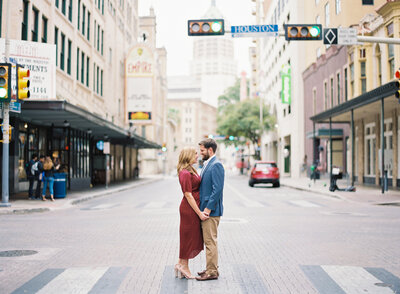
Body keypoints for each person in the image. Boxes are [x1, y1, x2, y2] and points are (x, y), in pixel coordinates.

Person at [175, 147, 209, 279]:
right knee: (187, 237)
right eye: (195, 154)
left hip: (194, 207)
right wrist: (200, 213)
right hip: (189, 209)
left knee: (190, 236)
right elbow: (188, 195)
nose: (197, 156)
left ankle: (180, 264)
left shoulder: (191, 169)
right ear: (188, 156)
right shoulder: (184, 173)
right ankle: (184, 267)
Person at [196, 138, 225, 281]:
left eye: (202, 151)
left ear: (210, 150)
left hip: (211, 212)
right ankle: (211, 268)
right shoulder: (208, 164)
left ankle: (212, 272)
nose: (200, 153)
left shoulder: (216, 165)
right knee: (208, 241)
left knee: (210, 242)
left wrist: (207, 209)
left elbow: (217, 190)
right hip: (207, 210)